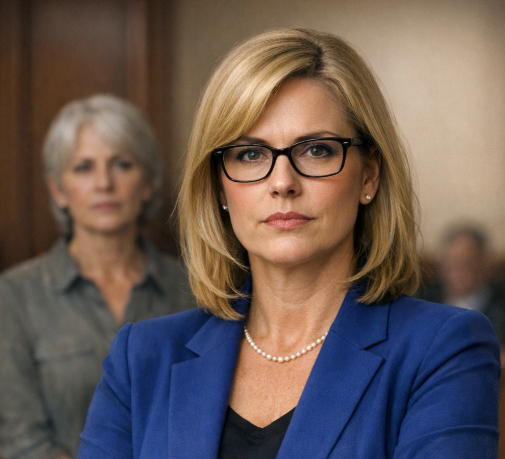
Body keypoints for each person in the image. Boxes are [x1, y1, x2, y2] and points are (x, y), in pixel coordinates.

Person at [77, 30, 500, 458]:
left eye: (316, 150)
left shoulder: (444, 349)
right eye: (250, 154)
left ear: (369, 175)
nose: (282, 182)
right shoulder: (141, 358)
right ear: (219, 186)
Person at [0, 94, 195, 459]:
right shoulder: (13, 296)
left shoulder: (195, 289)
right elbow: (21, 440)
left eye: (122, 164)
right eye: (83, 167)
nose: (104, 183)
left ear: (148, 183)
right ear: (58, 190)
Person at [418, 225, 505, 346]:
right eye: (452, 262)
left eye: (467, 263)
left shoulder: (501, 304)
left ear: (484, 265)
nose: (458, 271)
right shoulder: (425, 301)